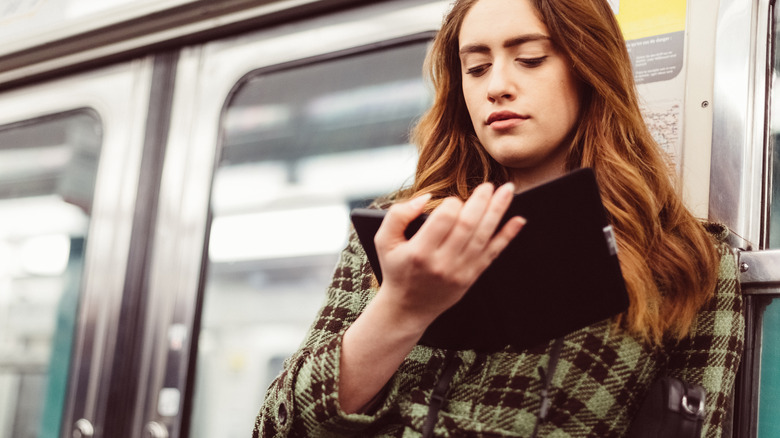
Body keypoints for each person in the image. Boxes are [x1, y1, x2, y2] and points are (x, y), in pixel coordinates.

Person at [253, 0, 744, 436]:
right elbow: (279, 427)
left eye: (530, 59)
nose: (498, 87)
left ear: (588, 66)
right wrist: (399, 311)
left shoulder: (683, 256)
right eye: (477, 67)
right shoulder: (401, 230)